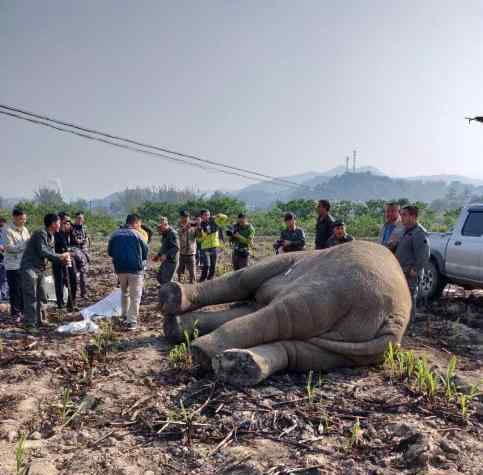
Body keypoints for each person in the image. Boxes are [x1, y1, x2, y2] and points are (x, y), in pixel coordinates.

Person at [20, 214, 70, 331]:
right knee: (31, 296)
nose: (60, 225)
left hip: (40, 269)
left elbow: (51, 255)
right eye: (59, 222)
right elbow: (43, 252)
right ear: (53, 223)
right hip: (30, 268)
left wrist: (63, 260)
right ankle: (30, 324)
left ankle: (41, 320)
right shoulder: (40, 233)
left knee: (42, 296)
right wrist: (61, 256)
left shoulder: (51, 236)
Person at [108, 214, 148, 331]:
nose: (139, 226)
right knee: (135, 296)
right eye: (139, 224)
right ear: (135, 223)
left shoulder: (115, 234)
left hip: (120, 269)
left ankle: (125, 315)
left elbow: (110, 252)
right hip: (135, 269)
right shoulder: (137, 234)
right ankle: (131, 322)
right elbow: (145, 251)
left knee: (124, 292)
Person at [395, 205, 430, 324]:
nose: (401, 218)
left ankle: (409, 325)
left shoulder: (418, 233)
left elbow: (424, 254)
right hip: (402, 271)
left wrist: (415, 269)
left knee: (410, 299)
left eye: (404, 215)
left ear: (413, 216)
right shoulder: (406, 231)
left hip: (411, 273)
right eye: (401, 215)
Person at [2, 208, 30, 318]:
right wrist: (25, 244)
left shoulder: (25, 229)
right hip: (13, 265)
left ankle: (23, 311)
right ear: (14, 217)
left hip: (24, 264)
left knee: (23, 289)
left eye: (25, 219)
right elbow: (9, 248)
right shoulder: (7, 230)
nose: (23, 221)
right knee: (15, 290)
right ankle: (15, 313)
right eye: (21, 219)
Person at [54, 217, 78, 310]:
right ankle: (60, 305)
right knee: (59, 282)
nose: (67, 225)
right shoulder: (56, 234)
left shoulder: (71, 233)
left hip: (70, 259)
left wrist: (72, 250)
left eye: (68, 223)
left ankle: (71, 303)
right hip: (58, 260)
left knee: (73, 281)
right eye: (64, 223)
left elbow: (76, 245)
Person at [153, 216, 179, 285]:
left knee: (166, 280)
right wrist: (158, 255)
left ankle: (170, 293)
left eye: (161, 227)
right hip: (166, 260)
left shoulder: (172, 233)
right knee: (160, 277)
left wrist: (166, 255)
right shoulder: (165, 233)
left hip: (171, 260)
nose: (160, 229)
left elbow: (176, 248)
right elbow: (164, 247)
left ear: (165, 224)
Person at [198, 209, 221, 281]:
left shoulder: (215, 222)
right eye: (205, 215)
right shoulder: (200, 225)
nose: (207, 216)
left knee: (213, 266)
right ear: (201, 216)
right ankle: (202, 280)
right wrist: (205, 234)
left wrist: (218, 215)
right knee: (207, 265)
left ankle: (210, 280)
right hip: (205, 248)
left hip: (214, 247)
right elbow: (199, 239)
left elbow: (225, 217)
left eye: (208, 215)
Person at [71, 212, 90, 298]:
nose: (80, 220)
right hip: (74, 252)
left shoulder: (84, 228)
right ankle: (72, 294)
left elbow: (86, 240)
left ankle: (83, 293)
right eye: (78, 218)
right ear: (75, 218)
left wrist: (86, 253)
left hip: (83, 252)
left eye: (81, 218)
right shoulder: (71, 228)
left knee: (83, 273)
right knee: (73, 274)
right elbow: (76, 240)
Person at [177, 210, 197, 284]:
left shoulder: (193, 226)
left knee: (192, 273)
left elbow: (199, 236)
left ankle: (193, 287)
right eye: (184, 217)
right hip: (181, 252)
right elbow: (179, 233)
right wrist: (187, 227)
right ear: (181, 217)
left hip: (191, 253)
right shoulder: (178, 225)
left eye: (187, 217)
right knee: (179, 272)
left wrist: (199, 226)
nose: (185, 218)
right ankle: (179, 287)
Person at [0, 217, 8, 301]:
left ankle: (4, 294)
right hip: (2, 259)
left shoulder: (5, 233)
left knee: (4, 278)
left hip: (4, 259)